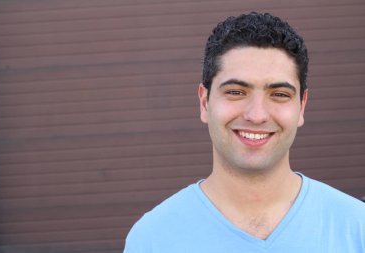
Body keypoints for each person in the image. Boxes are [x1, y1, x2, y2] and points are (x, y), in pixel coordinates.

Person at [123, 12, 365, 252]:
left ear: (301, 106)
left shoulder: (356, 227)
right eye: (236, 92)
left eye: (279, 95)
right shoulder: (153, 239)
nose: (257, 115)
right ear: (204, 102)